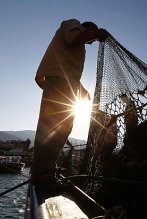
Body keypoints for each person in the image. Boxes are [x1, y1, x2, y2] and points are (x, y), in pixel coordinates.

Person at [30, 19, 109, 187]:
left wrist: (81, 89)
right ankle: (42, 177)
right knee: (52, 128)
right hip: (58, 81)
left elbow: (66, 68)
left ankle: (46, 173)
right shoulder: (73, 24)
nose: (92, 42)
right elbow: (74, 36)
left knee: (63, 128)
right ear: (87, 28)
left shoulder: (80, 45)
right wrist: (98, 33)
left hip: (64, 83)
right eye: (92, 39)